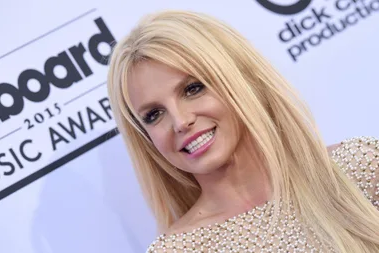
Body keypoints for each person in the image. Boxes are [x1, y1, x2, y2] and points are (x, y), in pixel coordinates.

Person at [107, 10, 379, 252]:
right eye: (154, 115)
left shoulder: (359, 165)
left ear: (238, 80)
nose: (180, 121)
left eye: (193, 89)